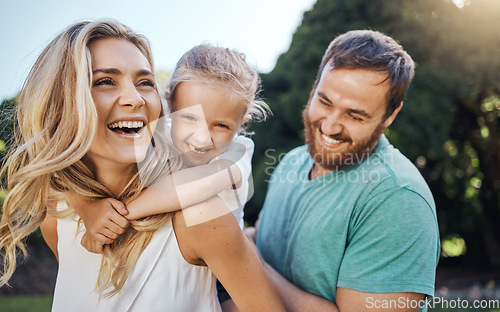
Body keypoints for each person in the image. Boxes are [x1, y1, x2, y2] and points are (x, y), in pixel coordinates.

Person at [0, 20, 284, 312]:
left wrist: (122, 215)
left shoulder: (205, 210)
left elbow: (187, 188)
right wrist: (85, 203)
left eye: (144, 82)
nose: (135, 99)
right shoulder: (58, 213)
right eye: (105, 81)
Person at [228, 30, 440, 312]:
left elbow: (250, 256)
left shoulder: (398, 199)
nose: (330, 126)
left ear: (390, 115)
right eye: (324, 102)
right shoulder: (293, 161)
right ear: (314, 87)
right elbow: (265, 240)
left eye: (355, 115)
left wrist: (244, 259)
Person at [69, 43, 264, 254]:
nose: (202, 138)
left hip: (221, 271)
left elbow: (201, 185)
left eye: (221, 126)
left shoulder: (237, 153)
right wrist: (87, 206)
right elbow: (68, 169)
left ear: (241, 124)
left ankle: (254, 237)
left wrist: (117, 216)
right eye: (189, 117)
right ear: (169, 104)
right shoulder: (158, 135)